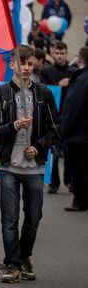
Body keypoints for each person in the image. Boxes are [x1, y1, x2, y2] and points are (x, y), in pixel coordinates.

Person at [0, 45, 61, 283]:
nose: (27, 68)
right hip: (9, 165)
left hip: (35, 168)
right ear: (12, 65)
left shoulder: (43, 94)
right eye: (22, 64)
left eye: (30, 64)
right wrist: (15, 126)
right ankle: (11, 264)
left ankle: (24, 257)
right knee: (9, 219)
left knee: (33, 218)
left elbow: (55, 129)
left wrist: (38, 147)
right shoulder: (0, 94)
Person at [40, 41, 76, 193]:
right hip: (53, 116)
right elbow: (44, 91)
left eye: (62, 53)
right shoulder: (47, 71)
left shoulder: (73, 71)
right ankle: (54, 182)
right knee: (53, 151)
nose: (60, 56)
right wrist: (58, 84)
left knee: (68, 152)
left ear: (66, 54)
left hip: (69, 116)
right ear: (52, 53)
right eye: (57, 53)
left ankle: (69, 180)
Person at [61, 46, 88, 211]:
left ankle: (80, 200)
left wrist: (64, 128)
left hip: (79, 132)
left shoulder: (81, 79)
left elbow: (74, 106)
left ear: (80, 59)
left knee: (78, 166)